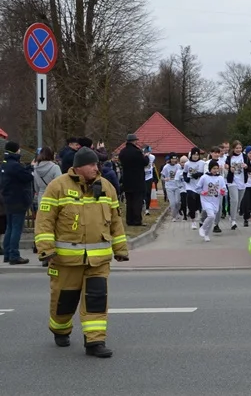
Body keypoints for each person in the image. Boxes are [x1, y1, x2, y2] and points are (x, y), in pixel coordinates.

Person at [34, 146, 128, 357]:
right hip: (66, 261)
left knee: (97, 299)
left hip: (98, 261)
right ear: (78, 167)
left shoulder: (106, 187)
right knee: (63, 303)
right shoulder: (57, 187)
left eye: (97, 164)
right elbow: (45, 220)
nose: (97, 168)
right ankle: (60, 330)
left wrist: (120, 249)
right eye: (92, 164)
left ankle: (95, 342)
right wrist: (46, 250)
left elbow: (115, 220)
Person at [1, 141, 34, 265]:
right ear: (16, 150)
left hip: (8, 200)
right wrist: (30, 168)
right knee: (16, 228)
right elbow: (27, 177)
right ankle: (14, 255)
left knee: (10, 227)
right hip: (18, 200)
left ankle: (8, 253)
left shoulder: (5, 164)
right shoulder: (15, 165)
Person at [118, 134, 147, 227]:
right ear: (134, 141)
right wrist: (146, 156)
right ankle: (137, 220)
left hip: (127, 180)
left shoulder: (122, 152)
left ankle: (129, 220)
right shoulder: (137, 152)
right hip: (137, 180)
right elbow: (144, 162)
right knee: (137, 201)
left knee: (129, 201)